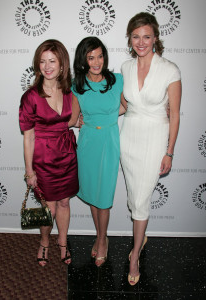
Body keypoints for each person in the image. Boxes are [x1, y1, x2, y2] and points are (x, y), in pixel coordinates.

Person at [120, 12, 181, 285]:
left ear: (155, 37)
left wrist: (169, 152)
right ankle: (140, 235)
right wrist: (93, 120)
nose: (141, 42)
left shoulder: (170, 69)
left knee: (142, 198)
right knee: (134, 196)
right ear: (130, 39)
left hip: (155, 138)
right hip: (128, 137)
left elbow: (175, 115)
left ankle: (134, 256)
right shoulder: (125, 67)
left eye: (146, 36)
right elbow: (123, 106)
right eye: (136, 36)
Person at [19, 39, 79, 267]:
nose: (47, 66)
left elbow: (71, 119)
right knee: (49, 207)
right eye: (42, 61)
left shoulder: (67, 91)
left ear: (62, 64)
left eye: (52, 61)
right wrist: (29, 171)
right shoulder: (31, 97)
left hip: (67, 156)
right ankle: (44, 241)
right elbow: (28, 136)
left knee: (64, 202)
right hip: (43, 160)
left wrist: (79, 121)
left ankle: (62, 241)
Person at [68, 36, 124, 267]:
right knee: (93, 194)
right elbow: (71, 119)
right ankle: (101, 237)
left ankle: (102, 240)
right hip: (89, 143)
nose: (96, 61)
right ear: (83, 60)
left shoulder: (118, 80)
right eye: (91, 57)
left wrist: (109, 118)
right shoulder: (77, 86)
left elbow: (127, 107)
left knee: (104, 198)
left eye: (100, 56)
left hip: (109, 141)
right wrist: (80, 122)